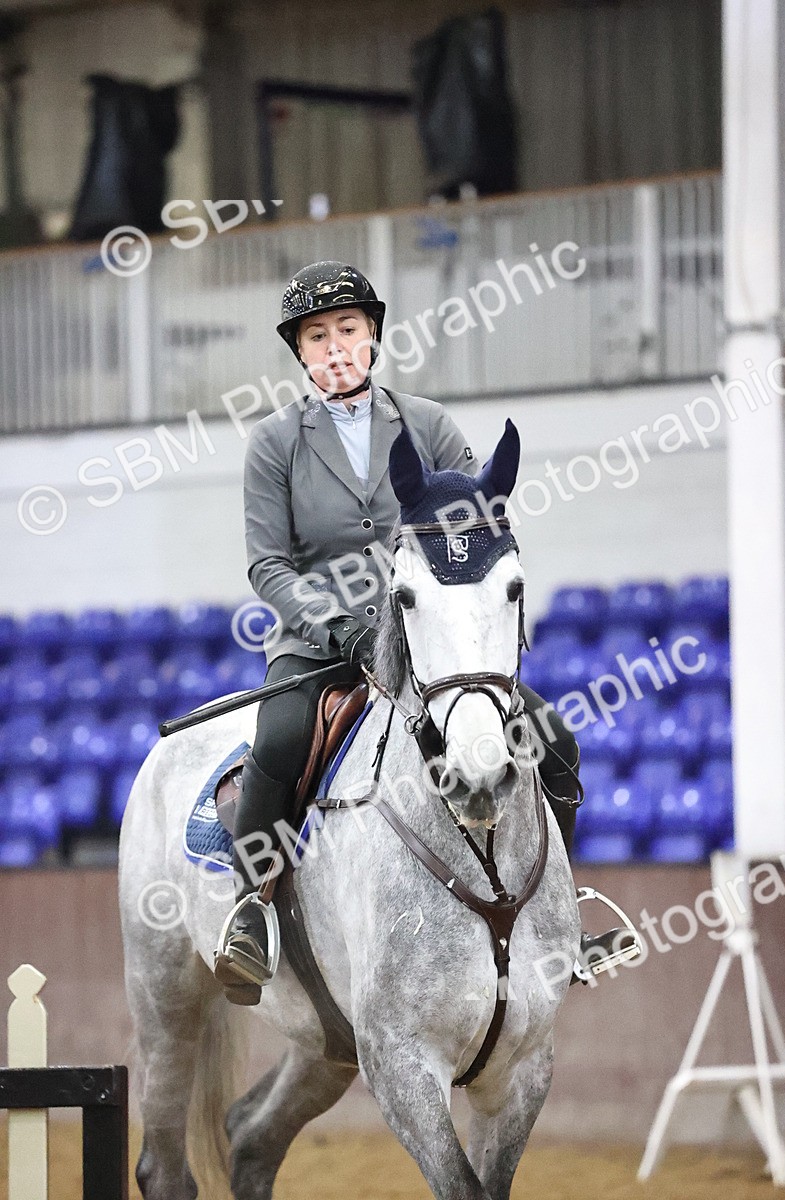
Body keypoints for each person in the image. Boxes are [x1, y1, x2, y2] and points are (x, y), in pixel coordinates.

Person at [213, 260, 638, 1005]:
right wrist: (336, 624)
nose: (336, 345)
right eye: (318, 336)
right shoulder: (274, 444)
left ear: (372, 335)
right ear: (301, 354)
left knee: (555, 740)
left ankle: (562, 920)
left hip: (431, 644)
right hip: (320, 646)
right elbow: (267, 565)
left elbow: (476, 528)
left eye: (348, 328)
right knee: (279, 741)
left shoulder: (431, 424)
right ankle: (250, 909)